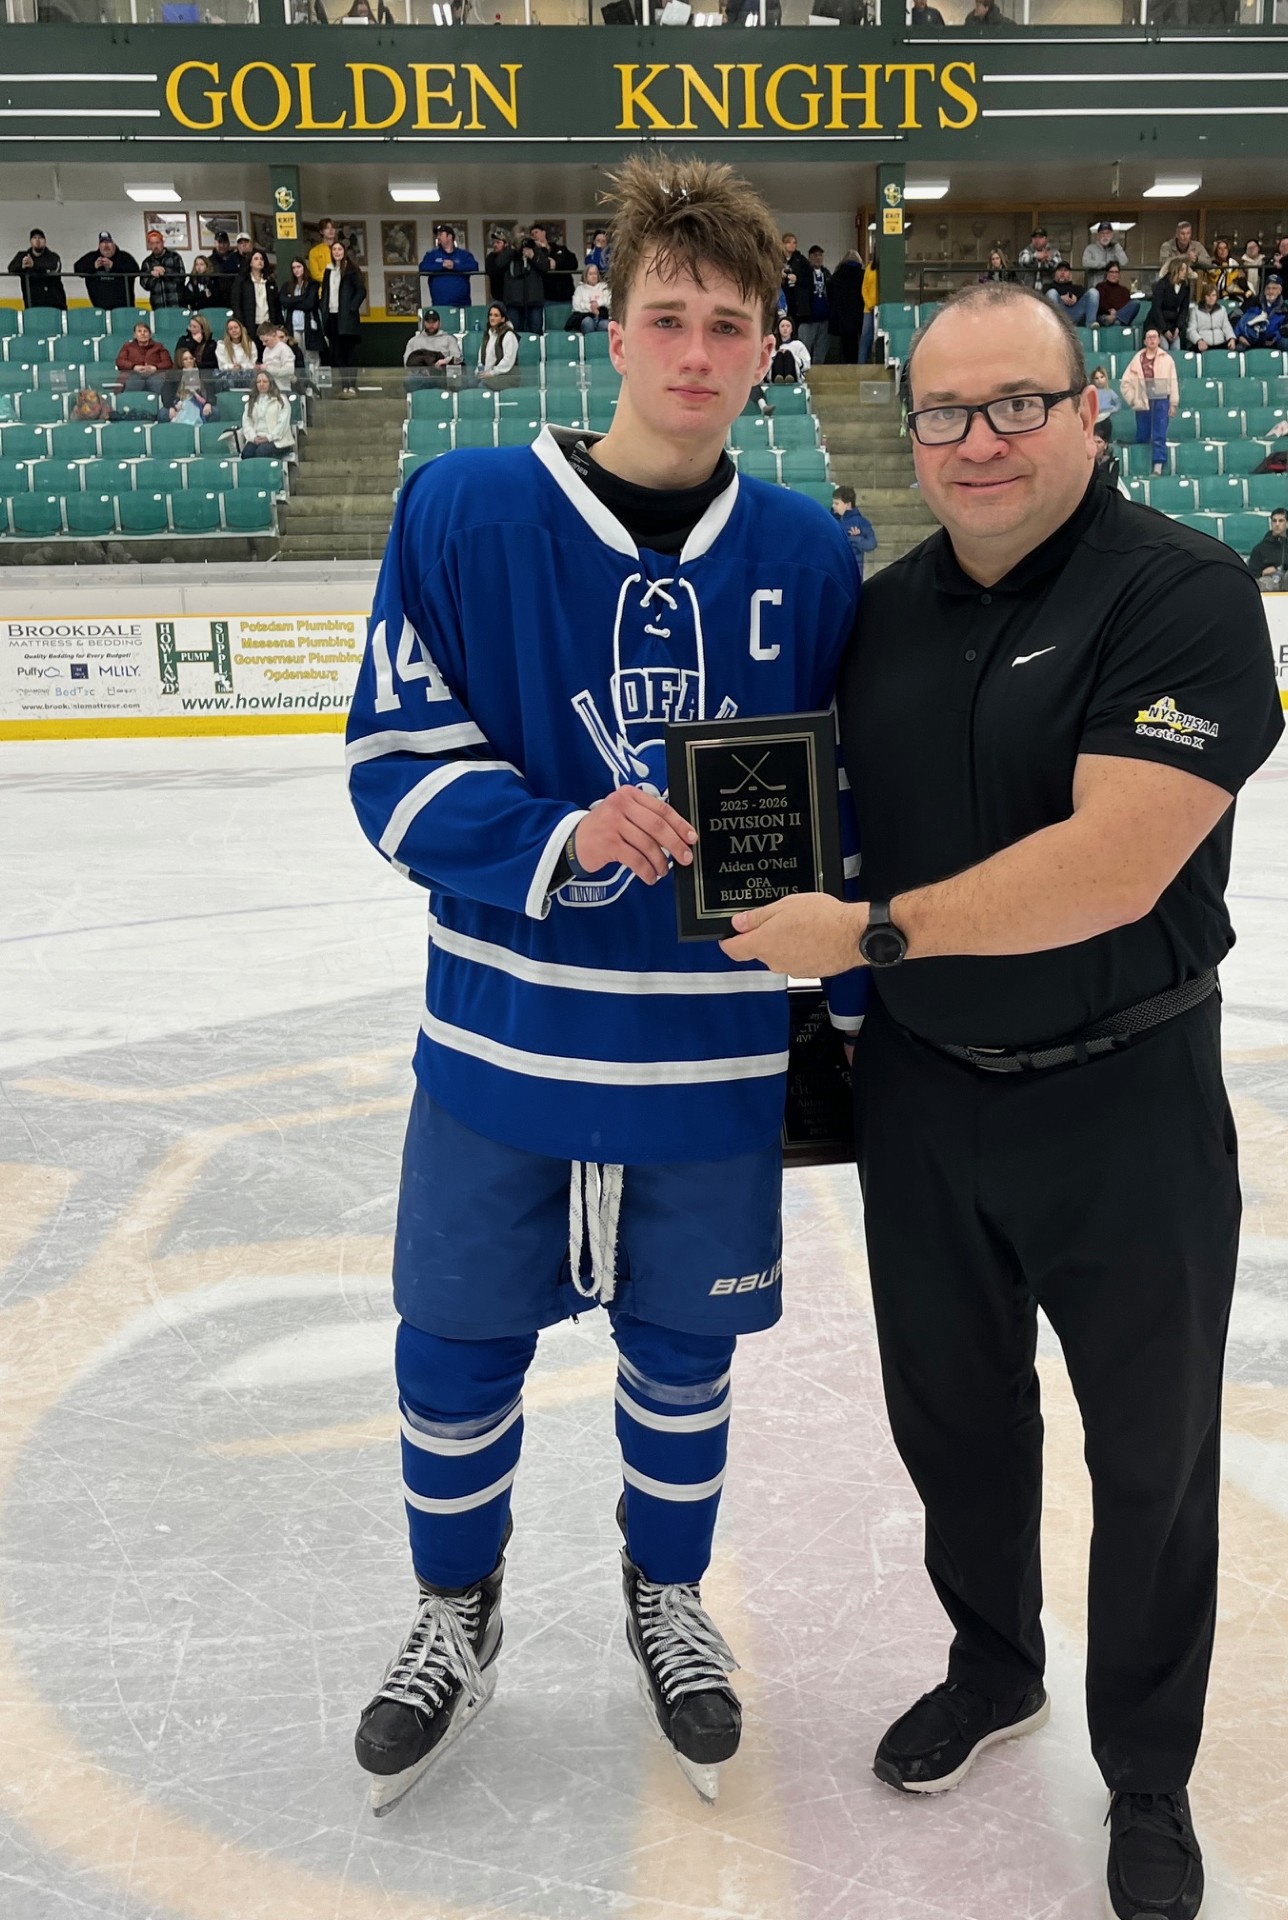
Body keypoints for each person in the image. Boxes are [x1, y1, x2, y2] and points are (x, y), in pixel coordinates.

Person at [718, 277, 1283, 1920]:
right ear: (914, 433)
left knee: (1153, 1458)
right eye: (947, 412)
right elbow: (790, 806)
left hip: (1128, 1103)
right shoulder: (883, 613)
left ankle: (1150, 1778)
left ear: (1087, 407)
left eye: (1016, 404)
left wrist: (873, 934)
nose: (979, 441)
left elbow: (1116, 863)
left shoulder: (1181, 592)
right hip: (921, 1099)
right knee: (952, 1424)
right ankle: (993, 1665)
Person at [344, 151, 861, 1820]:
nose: (697, 352)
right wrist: (561, 835)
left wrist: (848, 996)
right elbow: (392, 762)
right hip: (502, 1044)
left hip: (706, 1064)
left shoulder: (810, 550)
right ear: (614, 326)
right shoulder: (463, 511)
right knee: (453, 1346)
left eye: (728, 324)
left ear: (770, 342)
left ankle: (667, 1597)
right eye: (668, 318)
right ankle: (455, 1610)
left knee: (683, 1358)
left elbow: (844, 804)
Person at [1120, 325, 1180, 475]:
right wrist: (1133, 399)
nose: (1152, 340)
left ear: (1159, 340)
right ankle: (1139, 466)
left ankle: (1158, 466)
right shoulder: (1137, 359)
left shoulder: (1167, 359)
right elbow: (1125, 383)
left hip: (1161, 399)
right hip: (1143, 399)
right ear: (1145, 341)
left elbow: (1173, 382)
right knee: (1143, 433)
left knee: (1159, 433)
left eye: (1155, 337)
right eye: (1149, 337)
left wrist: (1173, 403)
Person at [321, 239, 366, 397]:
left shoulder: (352, 270)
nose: (337, 252)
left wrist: (351, 308)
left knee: (349, 353)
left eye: (340, 249)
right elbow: (326, 292)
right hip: (332, 317)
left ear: (344, 251)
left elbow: (361, 291)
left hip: (347, 318)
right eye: (334, 250)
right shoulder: (328, 270)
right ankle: (344, 386)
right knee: (337, 353)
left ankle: (351, 385)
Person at [419, 224, 481, 313]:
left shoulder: (464, 254)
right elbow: (422, 267)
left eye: (440, 234)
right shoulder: (431, 254)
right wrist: (441, 266)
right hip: (439, 305)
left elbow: (474, 266)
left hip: (462, 306)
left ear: (450, 236)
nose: (438, 237)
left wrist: (454, 266)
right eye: (437, 235)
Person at [236, 368, 294, 460]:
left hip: (278, 440)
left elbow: (283, 424)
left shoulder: (281, 400)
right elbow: (247, 423)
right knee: (246, 454)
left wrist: (268, 437)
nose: (261, 384)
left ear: (270, 383)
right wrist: (253, 437)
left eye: (264, 381)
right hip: (257, 438)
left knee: (261, 452)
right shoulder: (251, 401)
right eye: (259, 382)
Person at [1247, 506, 1288, 591]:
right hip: (1269, 580)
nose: (1277, 524)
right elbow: (1251, 574)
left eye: (1281, 521)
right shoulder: (1260, 548)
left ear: (1287, 523)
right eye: (1274, 521)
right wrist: (1263, 572)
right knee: (1264, 582)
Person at [74, 231, 139, 310]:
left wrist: (113, 266)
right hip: (99, 309)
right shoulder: (92, 257)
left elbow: (135, 270)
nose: (106, 245)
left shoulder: (124, 257)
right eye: (103, 243)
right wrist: (93, 266)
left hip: (124, 308)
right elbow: (77, 268)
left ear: (114, 244)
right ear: (99, 246)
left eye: (109, 242)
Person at [402, 307, 463, 388]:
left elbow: (458, 359)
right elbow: (407, 363)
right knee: (410, 380)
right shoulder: (413, 341)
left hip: (443, 376)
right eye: (428, 322)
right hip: (421, 377)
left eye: (434, 322)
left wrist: (446, 360)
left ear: (439, 323)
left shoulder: (449, 339)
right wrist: (421, 370)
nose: (431, 325)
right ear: (424, 323)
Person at [498, 231, 545, 335]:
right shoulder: (509, 252)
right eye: (519, 239)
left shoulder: (535, 250)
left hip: (534, 300)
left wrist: (532, 256)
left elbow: (544, 267)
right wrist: (513, 249)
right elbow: (498, 264)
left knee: (535, 333)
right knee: (514, 334)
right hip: (513, 301)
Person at [7, 227, 64, 309]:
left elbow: (54, 267)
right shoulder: (23, 256)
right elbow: (11, 268)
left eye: (40, 238)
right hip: (32, 304)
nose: (37, 241)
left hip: (55, 304)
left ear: (45, 241)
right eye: (34, 238)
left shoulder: (53, 257)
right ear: (30, 241)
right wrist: (22, 266)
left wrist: (34, 265)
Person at [282, 256, 325, 364]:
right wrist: (301, 298)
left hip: (309, 325)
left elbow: (309, 304)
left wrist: (292, 301)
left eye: (299, 267)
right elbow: (284, 302)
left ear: (304, 267)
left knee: (311, 355)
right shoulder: (287, 285)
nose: (296, 270)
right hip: (293, 326)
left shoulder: (312, 284)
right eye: (294, 268)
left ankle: (314, 380)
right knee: (297, 354)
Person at [160, 342, 215, 424]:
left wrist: (209, 403)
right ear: (180, 361)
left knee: (215, 412)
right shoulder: (172, 375)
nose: (189, 361)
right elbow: (166, 394)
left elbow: (210, 392)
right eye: (185, 359)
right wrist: (171, 407)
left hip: (199, 404)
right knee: (163, 413)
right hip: (179, 405)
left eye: (191, 358)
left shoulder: (202, 374)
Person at [115, 319, 174, 396]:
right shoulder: (127, 346)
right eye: (139, 331)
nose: (142, 333)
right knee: (134, 383)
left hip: (155, 375)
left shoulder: (159, 347)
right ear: (135, 335)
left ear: (150, 335)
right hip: (133, 374)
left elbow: (168, 363)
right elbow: (120, 361)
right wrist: (134, 367)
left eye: (145, 331)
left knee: (158, 384)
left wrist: (155, 367)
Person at [828, 248, 865, 365]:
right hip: (856, 314)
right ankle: (855, 364)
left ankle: (843, 364)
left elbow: (830, 294)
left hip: (840, 316)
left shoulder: (836, 275)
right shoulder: (861, 275)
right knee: (855, 343)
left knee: (843, 343)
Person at [1233, 275, 1288, 349]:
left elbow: (1287, 328)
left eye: (1274, 288)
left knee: (1285, 343)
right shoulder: (1252, 302)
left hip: (1272, 341)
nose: (1271, 291)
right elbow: (1234, 316)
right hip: (1250, 339)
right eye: (1268, 288)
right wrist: (1239, 336)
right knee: (1239, 348)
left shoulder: (1285, 308)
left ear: (1280, 290)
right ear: (1264, 290)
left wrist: (1276, 337)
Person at [832, 483, 877, 574]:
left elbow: (871, 544)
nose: (833, 506)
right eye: (833, 503)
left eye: (837, 503)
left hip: (853, 571)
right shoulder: (831, 520)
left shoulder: (860, 522)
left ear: (848, 505)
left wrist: (856, 539)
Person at [137, 228, 186, 309]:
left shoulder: (174, 257)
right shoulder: (147, 262)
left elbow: (181, 278)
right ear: (149, 245)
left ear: (162, 242)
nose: (155, 246)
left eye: (157, 242)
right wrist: (152, 276)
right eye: (152, 243)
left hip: (177, 304)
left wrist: (165, 271)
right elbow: (144, 285)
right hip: (158, 306)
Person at [237, 248, 280, 340]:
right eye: (256, 259)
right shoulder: (243, 282)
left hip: (268, 324)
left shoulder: (269, 282)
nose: (259, 261)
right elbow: (236, 304)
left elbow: (276, 305)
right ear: (250, 263)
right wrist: (241, 324)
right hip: (251, 325)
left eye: (261, 259)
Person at [1146, 258, 1190, 347]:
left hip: (1173, 324)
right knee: (1164, 347)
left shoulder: (1185, 287)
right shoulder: (1162, 284)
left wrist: (1179, 327)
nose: (1184, 273)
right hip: (1157, 324)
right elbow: (1156, 309)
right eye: (1182, 270)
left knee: (1176, 347)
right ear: (1175, 270)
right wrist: (1164, 329)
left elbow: (1184, 309)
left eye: (1185, 270)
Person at [799, 245, 831, 364]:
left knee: (821, 349)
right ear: (810, 257)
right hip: (809, 318)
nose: (818, 258)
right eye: (815, 255)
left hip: (824, 317)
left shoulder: (826, 273)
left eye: (820, 255)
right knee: (805, 347)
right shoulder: (804, 273)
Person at [478, 302, 520, 389]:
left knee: (480, 387)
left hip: (505, 377)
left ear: (502, 319)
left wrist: (492, 373)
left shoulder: (508, 335)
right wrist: (479, 371)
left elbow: (508, 361)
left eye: (496, 315)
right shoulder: (487, 335)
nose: (492, 318)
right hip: (488, 375)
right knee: (468, 384)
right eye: (491, 315)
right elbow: (481, 358)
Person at [1045, 262, 1098, 328]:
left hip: (1075, 314)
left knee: (1093, 292)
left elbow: (1086, 299)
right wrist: (1061, 298)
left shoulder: (1078, 287)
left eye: (1065, 270)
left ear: (1070, 274)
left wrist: (1076, 298)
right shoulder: (1048, 286)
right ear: (1055, 273)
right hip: (1059, 315)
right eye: (1060, 270)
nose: (1062, 273)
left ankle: (1091, 326)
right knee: (1052, 293)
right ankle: (1055, 327)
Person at [1186, 283, 1235, 354]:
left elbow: (1226, 326)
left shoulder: (1222, 309)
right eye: (1208, 295)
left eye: (1213, 295)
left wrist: (1231, 338)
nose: (1211, 298)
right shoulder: (1195, 311)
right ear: (1204, 296)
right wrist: (1199, 340)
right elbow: (1191, 330)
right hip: (1203, 345)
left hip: (1220, 344)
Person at [214, 315, 258, 389]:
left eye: (236, 327)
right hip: (228, 375)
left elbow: (253, 364)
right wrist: (232, 367)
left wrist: (241, 367)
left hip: (247, 375)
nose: (234, 330)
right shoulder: (221, 345)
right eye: (231, 329)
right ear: (228, 332)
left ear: (241, 329)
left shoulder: (250, 344)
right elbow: (221, 365)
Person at [1201, 237, 1247, 307]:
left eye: (1225, 248)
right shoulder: (1211, 264)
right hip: (1215, 295)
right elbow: (1216, 280)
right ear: (1216, 251)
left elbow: (1239, 277)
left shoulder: (1233, 263)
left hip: (1232, 296)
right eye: (1220, 248)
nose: (1223, 251)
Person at [766, 313, 810, 385]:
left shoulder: (798, 344)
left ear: (792, 329)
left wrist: (792, 356)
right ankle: (778, 377)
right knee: (779, 354)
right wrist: (776, 356)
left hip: (794, 374)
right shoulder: (772, 345)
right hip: (774, 376)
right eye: (782, 326)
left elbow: (807, 365)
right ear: (778, 329)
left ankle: (789, 377)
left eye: (788, 326)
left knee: (788, 354)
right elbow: (766, 364)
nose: (785, 328)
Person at [1081, 220, 1127, 287]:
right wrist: (1104, 264)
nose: (1105, 236)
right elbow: (1085, 263)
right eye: (1102, 233)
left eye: (1108, 233)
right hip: (1095, 286)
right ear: (1098, 235)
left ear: (1112, 235)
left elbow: (1124, 262)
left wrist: (1117, 246)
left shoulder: (1116, 248)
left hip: (1111, 287)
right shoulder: (1090, 248)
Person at [1095, 262, 1140, 331]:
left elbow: (1125, 308)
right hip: (1104, 315)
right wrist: (1109, 310)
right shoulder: (1100, 287)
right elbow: (1099, 304)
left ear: (1119, 275)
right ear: (1107, 274)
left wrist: (1115, 313)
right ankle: (1115, 320)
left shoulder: (1124, 290)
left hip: (1119, 316)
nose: (1114, 275)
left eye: (1116, 272)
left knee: (1136, 303)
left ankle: (1115, 319)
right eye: (1111, 272)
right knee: (1105, 319)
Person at [255, 321, 297, 394]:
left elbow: (289, 370)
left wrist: (267, 368)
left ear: (274, 335)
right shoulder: (266, 350)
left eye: (266, 341)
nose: (264, 344)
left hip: (282, 389)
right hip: (269, 390)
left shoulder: (284, 349)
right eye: (262, 341)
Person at [570, 264, 611, 334]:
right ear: (586, 276)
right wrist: (591, 308)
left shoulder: (604, 287)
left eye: (595, 274)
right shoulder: (580, 289)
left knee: (606, 325)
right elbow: (576, 305)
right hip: (586, 317)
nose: (593, 276)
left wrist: (598, 303)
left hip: (602, 318)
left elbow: (609, 300)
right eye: (591, 274)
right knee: (588, 322)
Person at [207, 229, 242, 307]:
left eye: (225, 242)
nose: (222, 245)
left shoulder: (236, 258)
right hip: (216, 301)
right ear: (215, 243)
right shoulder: (209, 261)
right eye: (220, 242)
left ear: (229, 243)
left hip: (234, 298)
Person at [1088, 364, 1119, 441]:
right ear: (1093, 380)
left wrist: (1113, 409)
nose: (1099, 380)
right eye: (1097, 378)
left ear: (1106, 378)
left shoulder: (1109, 392)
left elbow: (1118, 402)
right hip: (1095, 419)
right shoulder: (1091, 392)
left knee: (1106, 439)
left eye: (1102, 377)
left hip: (1106, 418)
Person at [858, 253, 879, 366]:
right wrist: (870, 304)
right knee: (866, 336)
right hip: (869, 309)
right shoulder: (869, 268)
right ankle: (862, 363)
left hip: (882, 308)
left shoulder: (886, 269)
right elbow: (864, 289)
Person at [308, 218, 339, 286]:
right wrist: (332, 277)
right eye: (327, 228)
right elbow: (315, 274)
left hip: (341, 289)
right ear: (321, 231)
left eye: (333, 227)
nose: (331, 230)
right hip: (323, 289)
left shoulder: (341, 249)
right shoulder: (314, 251)